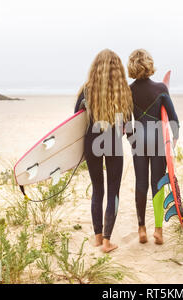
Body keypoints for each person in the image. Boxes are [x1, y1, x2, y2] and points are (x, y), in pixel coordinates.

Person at [75, 49, 133, 253]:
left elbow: (76, 119)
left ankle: (98, 237)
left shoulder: (86, 90)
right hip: (113, 144)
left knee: (97, 189)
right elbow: (128, 125)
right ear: (118, 68)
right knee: (113, 191)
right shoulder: (123, 91)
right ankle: (108, 241)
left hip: (92, 143)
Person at [127, 49, 180, 245]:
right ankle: (158, 230)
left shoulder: (128, 91)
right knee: (157, 183)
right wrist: (173, 140)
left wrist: (132, 140)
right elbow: (174, 119)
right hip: (158, 141)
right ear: (149, 64)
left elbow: (126, 123)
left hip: (139, 141)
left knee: (141, 183)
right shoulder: (161, 89)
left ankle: (141, 228)